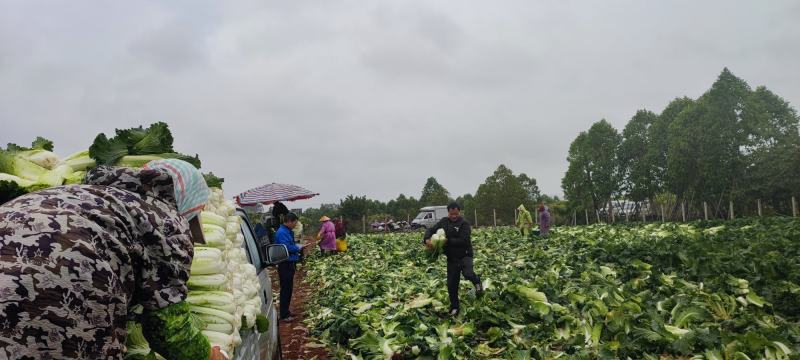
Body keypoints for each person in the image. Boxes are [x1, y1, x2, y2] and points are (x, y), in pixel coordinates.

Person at [0, 160, 224, 360]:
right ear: (187, 203)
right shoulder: (166, 220)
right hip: (59, 291)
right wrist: (209, 356)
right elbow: (167, 328)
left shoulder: (82, 194)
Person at [423, 202, 483, 316]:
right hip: (452, 258)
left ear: (459, 212)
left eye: (456, 214)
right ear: (448, 212)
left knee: (468, 274)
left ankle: (477, 281)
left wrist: (448, 241)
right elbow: (431, 230)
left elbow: (464, 240)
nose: (454, 216)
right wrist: (427, 239)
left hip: (465, 255)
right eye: (451, 214)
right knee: (452, 284)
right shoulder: (444, 222)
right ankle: (454, 307)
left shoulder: (464, 224)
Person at [274, 212, 303, 321]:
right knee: (285, 289)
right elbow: (286, 247)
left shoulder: (287, 231)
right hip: (285, 263)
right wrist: (297, 248)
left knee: (288, 288)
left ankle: (286, 311)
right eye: (295, 223)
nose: (295, 225)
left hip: (289, 262)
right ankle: (284, 315)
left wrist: (296, 246)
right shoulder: (282, 232)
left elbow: (289, 244)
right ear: (289, 221)